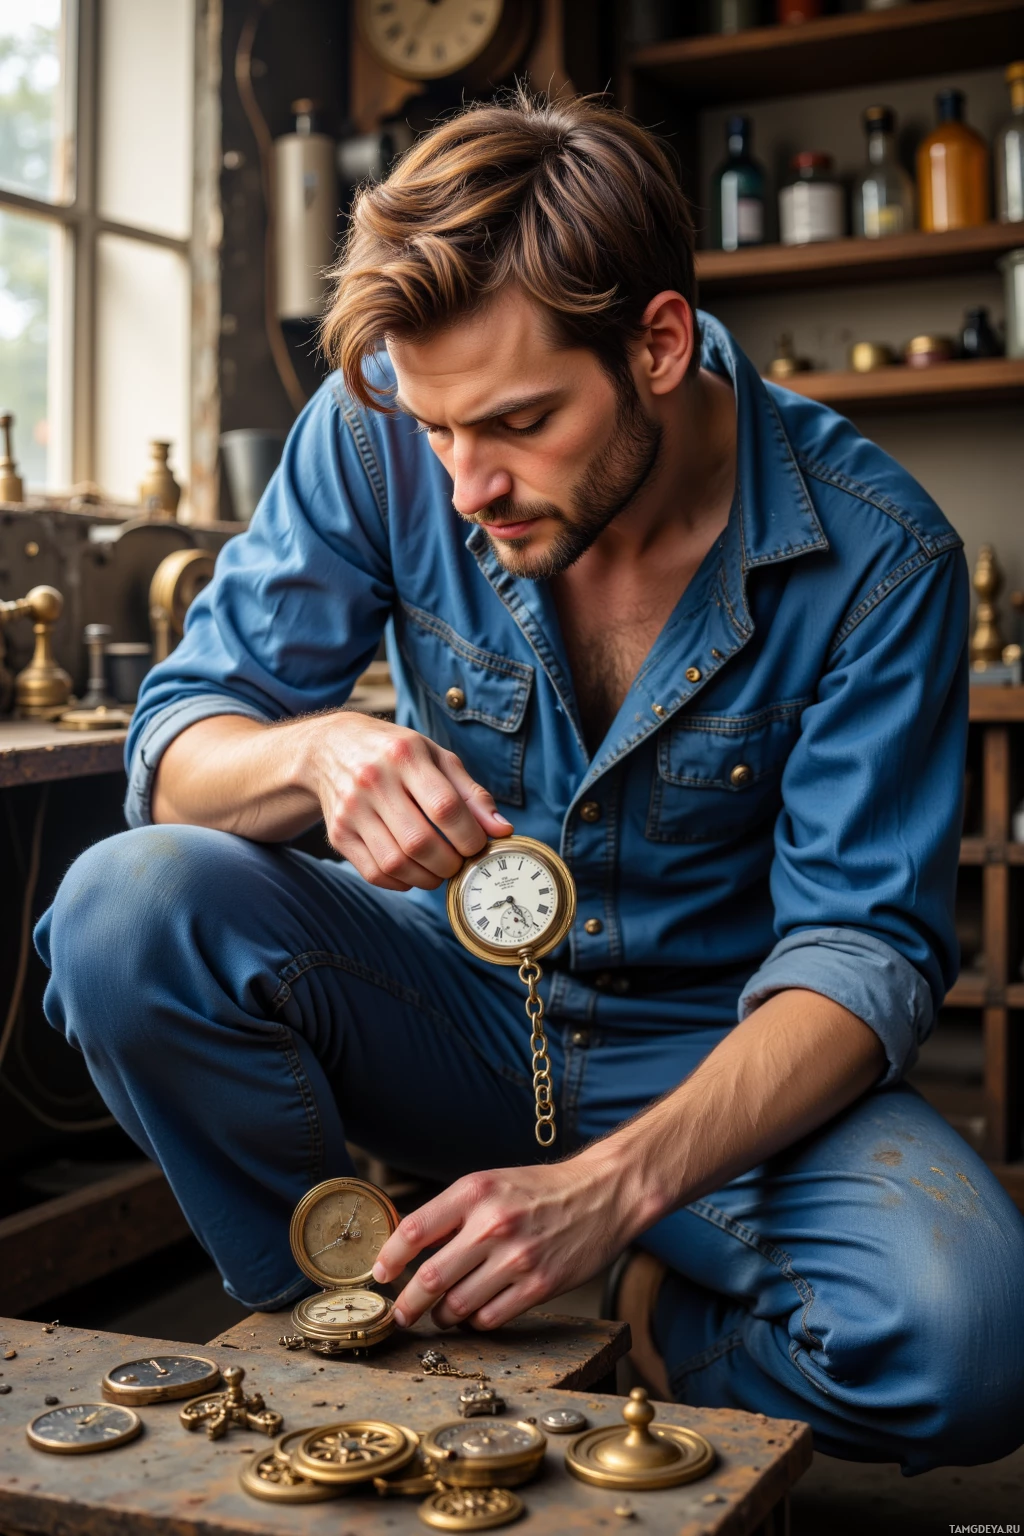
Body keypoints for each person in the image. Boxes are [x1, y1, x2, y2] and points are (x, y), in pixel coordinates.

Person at [36, 90, 1024, 1472]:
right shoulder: (380, 427)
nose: (464, 488)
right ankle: (360, 1328)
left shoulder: (881, 556)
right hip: (445, 1006)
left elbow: (862, 959)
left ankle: (670, 1315)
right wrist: (312, 752)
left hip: (719, 1060)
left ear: (660, 345)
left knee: (971, 1339)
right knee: (122, 906)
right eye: (435, 429)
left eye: (516, 422)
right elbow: (180, 747)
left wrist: (612, 1193)